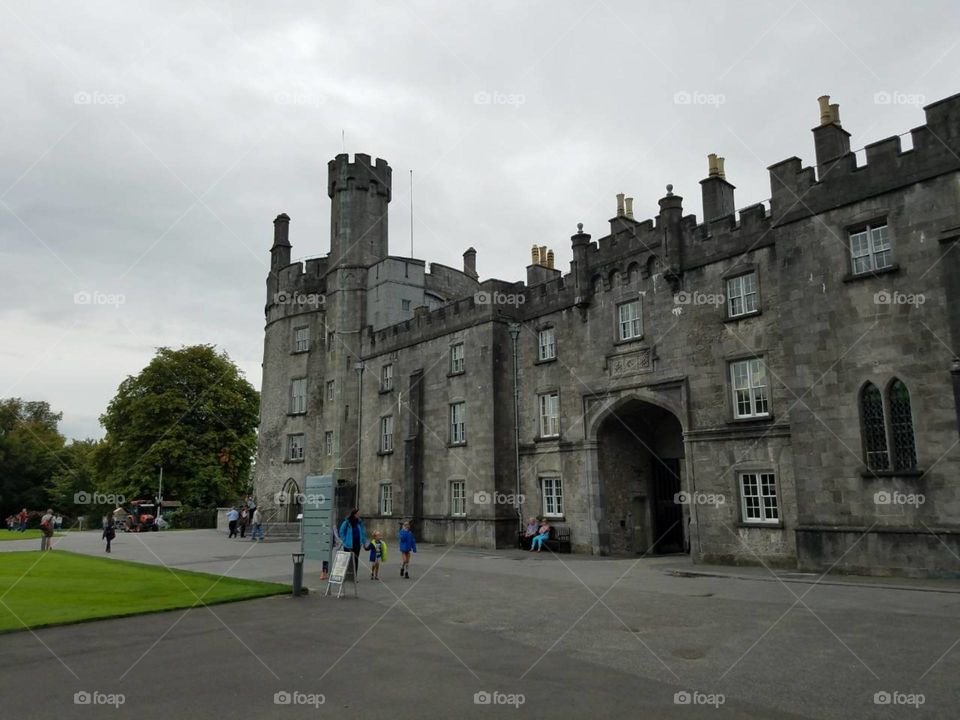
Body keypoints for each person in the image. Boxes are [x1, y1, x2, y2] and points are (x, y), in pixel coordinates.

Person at [338, 509, 367, 580]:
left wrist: (363, 542)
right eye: (358, 514)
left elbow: (363, 532)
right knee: (348, 560)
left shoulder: (359, 522)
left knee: (355, 560)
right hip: (349, 545)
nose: (359, 515)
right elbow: (341, 531)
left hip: (357, 544)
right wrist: (344, 540)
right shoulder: (347, 522)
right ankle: (346, 576)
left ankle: (354, 576)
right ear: (354, 514)